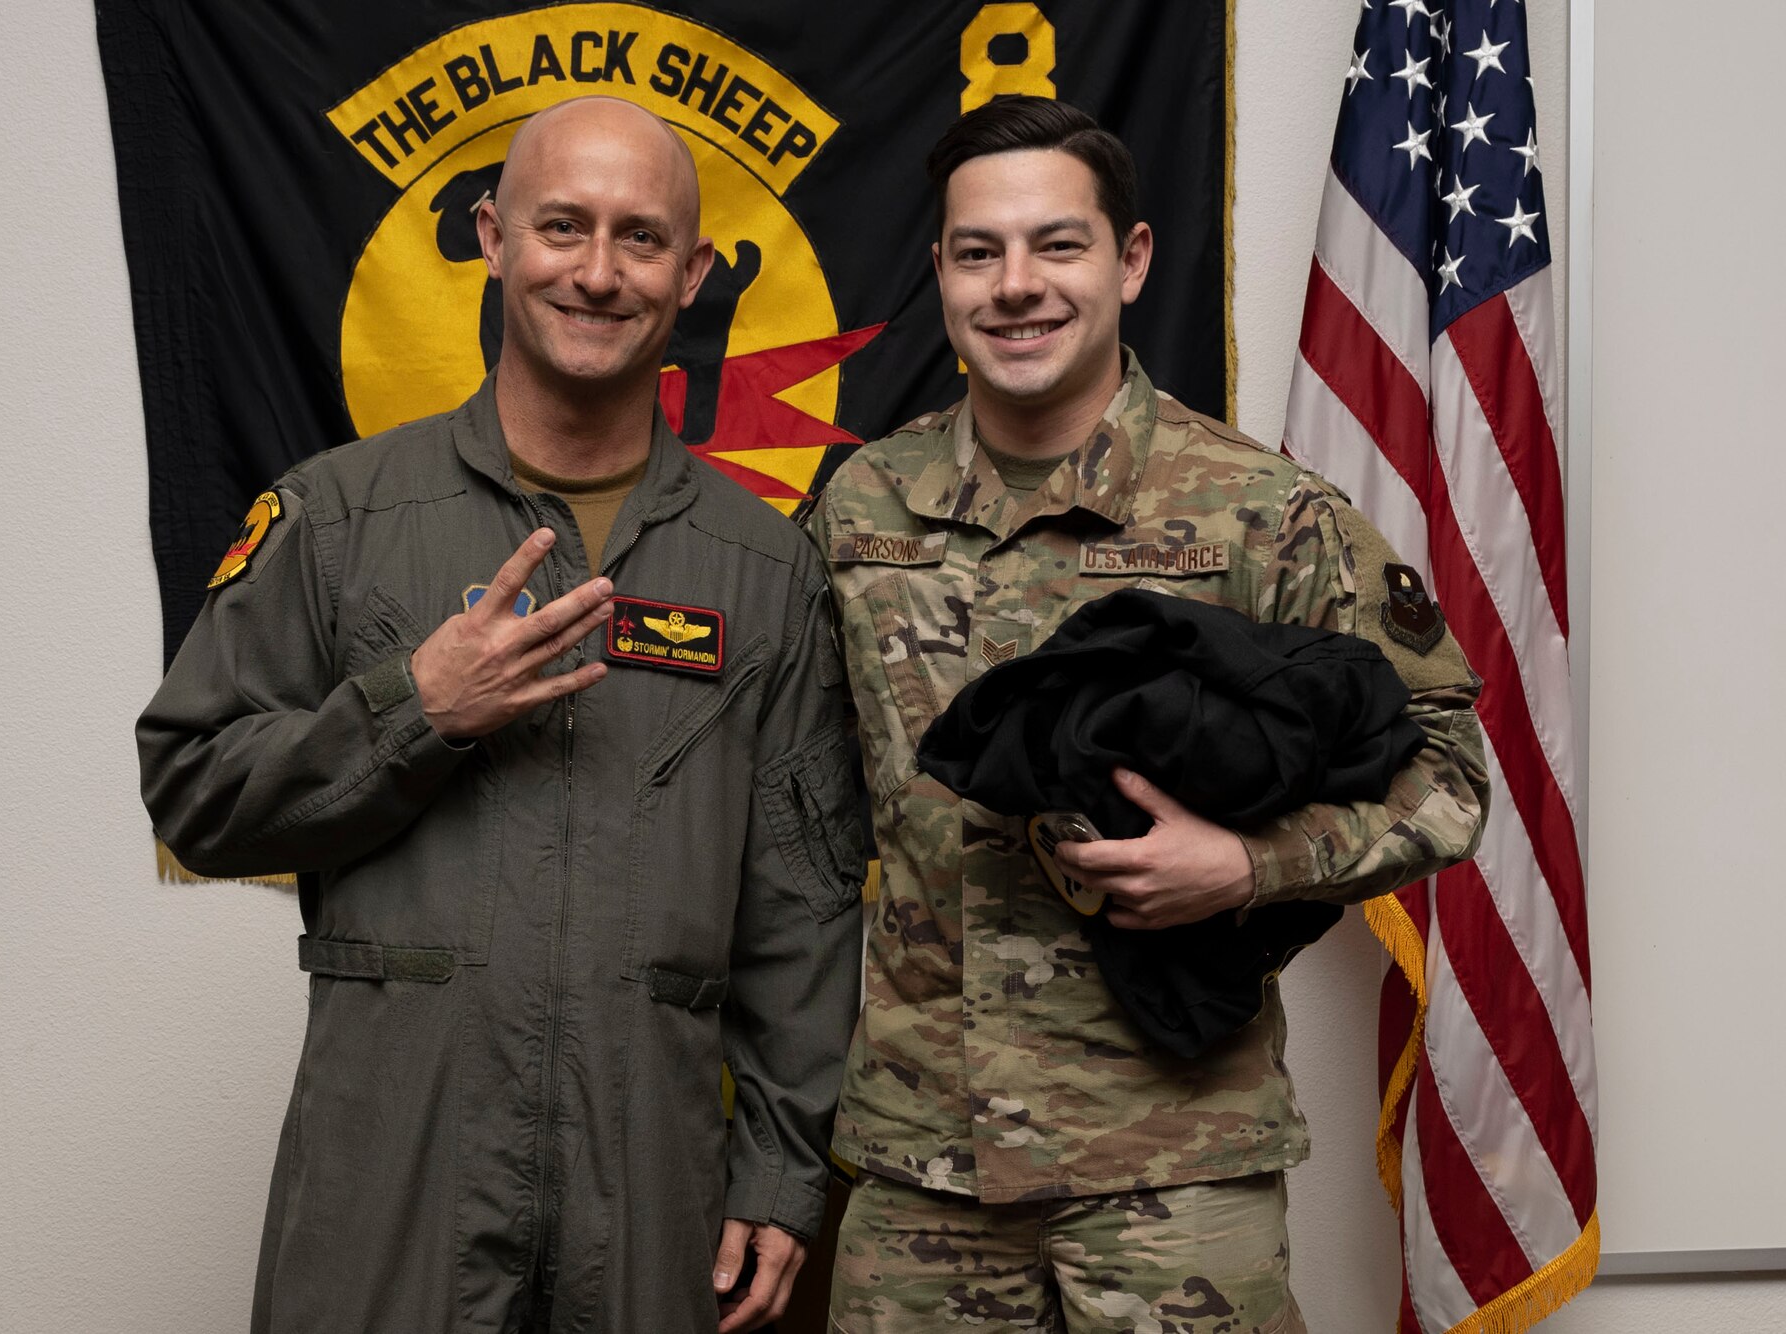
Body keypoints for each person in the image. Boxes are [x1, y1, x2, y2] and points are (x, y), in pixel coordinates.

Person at [138, 96, 864, 1334]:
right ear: (490, 235)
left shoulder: (765, 570)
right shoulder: (339, 518)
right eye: (561, 225)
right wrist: (412, 709)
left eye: (639, 238)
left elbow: (802, 911)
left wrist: (788, 1170)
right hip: (394, 1161)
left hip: (652, 1173)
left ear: (691, 273)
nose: (596, 270)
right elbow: (192, 788)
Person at [808, 96, 1489, 1332]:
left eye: (1056, 244)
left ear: (1128, 261)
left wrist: (1247, 862)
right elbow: (803, 797)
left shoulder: (1261, 512)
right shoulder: (865, 501)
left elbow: (1450, 768)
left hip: (1171, 1162)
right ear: (940, 274)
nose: (1015, 285)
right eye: (978, 252)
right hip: (920, 1170)